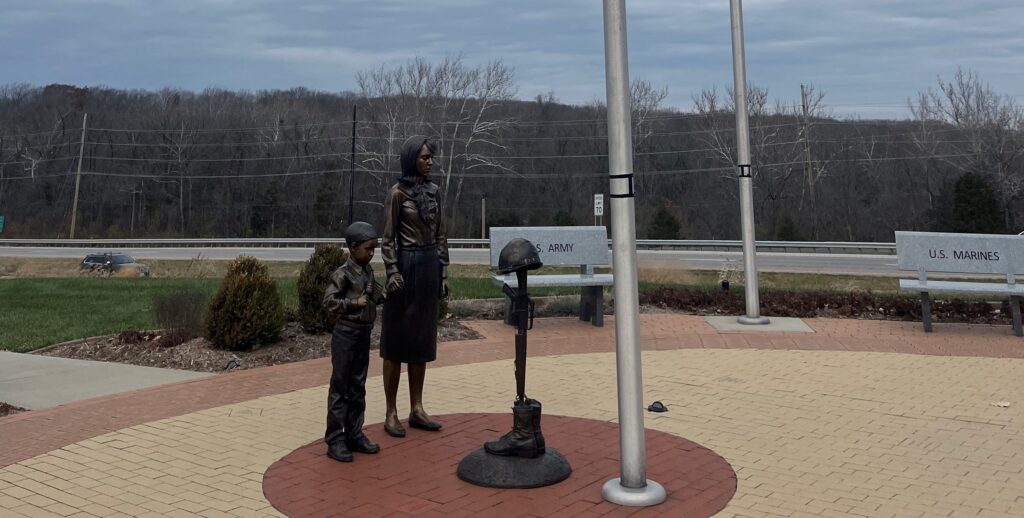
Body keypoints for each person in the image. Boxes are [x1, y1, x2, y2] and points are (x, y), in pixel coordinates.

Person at [379, 135, 449, 438]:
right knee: (395, 342)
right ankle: (391, 411)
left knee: (422, 340)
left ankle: (417, 408)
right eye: (424, 157)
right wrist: (393, 270)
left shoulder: (434, 193)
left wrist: (443, 273)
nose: (429, 161)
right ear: (411, 160)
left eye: (430, 157)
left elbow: (442, 234)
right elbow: (387, 238)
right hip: (405, 269)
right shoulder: (397, 193)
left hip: (429, 265)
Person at [322, 221, 386, 462]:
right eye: (368, 249)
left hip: (363, 334)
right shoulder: (342, 274)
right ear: (353, 247)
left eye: (374, 249)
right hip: (345, 335)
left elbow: (373, 297)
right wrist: (352, 303)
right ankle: (335, 438)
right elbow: (329, 302)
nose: (371, 253)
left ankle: (355, 433)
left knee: (358, 385)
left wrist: (384, 295)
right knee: (341, 385)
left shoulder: (368, 272)